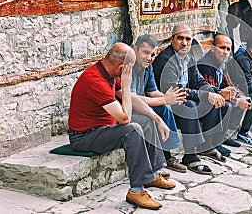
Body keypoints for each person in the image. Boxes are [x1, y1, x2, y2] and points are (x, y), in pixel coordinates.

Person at [68, 43, 175, 210]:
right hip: (84, 137)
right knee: (132, 129)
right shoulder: (95, 80)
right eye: (129, 69)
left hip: (103, 129)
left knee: (146, 121)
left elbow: (131, 98)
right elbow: (125, 119)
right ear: (121, 67)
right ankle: (136, 190)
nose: (130, 73)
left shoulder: (108, 72)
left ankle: (151, 175)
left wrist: (157, 118)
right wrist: (126, 85)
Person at [152, 24, 228, 175]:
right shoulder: (165, 59)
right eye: (180, 38)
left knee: (219, 104)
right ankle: (190, 155)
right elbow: (175, 90)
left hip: (182, 99)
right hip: (165, 101)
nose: (184, 43)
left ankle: (206, 145)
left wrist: (216, 92)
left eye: (188, 39)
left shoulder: (189, 57)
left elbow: (198, 81)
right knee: (190, 105)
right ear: (172, 39)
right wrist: (207, 95)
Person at [131, 34, 189, 173]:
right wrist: (164, 100)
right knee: (159, 110)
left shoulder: (148, 66)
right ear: (134, 49)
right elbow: (132, 99)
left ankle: (169, 153)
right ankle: (164, 158)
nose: (149, 58)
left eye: (152, 54)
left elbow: (152, 92)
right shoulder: (129, 66)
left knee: (169, 106)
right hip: (126, 109)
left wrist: (171, 97)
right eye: (145, 52)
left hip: (140, 105)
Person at [197, 34, 252, 153]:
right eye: (222, 47)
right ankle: (213, 142)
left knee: (243, 99)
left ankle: (223, 136)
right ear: (212, 48)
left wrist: (241, 96)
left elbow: (228, 84)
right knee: (226, 105)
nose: (225, 52)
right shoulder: (206, 64)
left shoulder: (222, 64)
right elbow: (210, 91)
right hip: (203, 99)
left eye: (228, 49)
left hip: (217, 95)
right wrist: (237, 101)